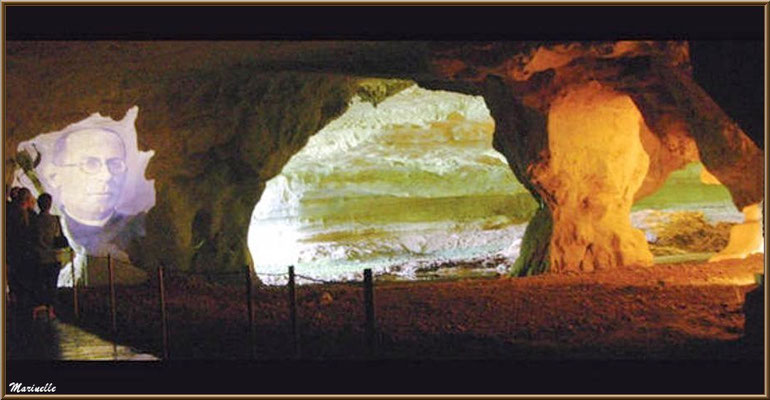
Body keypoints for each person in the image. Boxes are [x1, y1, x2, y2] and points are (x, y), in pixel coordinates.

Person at [31, 193, 66, 320]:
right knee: (52, 285)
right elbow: (60, 236)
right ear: (50, 205)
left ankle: (38, 308)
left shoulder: (33, 220)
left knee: (39, 283)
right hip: (53, 256)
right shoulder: (55, 220)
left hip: (39, 256)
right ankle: (51, 309)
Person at [6, 188, 37, 320]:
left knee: (15, 278)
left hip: (13, 251)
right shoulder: (30, 215)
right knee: (23, 278)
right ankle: (23, 305)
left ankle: (15, 301)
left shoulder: (9, 211)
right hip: (24, 252)